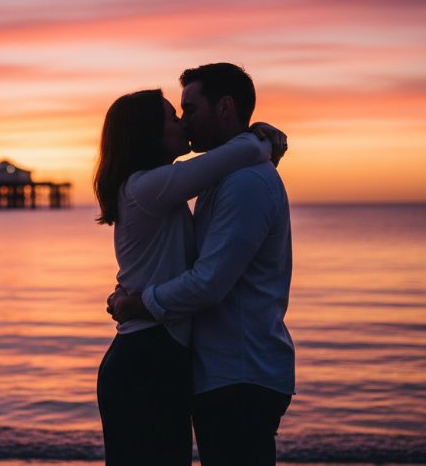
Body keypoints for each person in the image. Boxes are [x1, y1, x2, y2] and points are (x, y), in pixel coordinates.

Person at [109, 63, 294, 466]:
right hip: (212, 371)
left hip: (240, 373)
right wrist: (260, 139)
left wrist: (138, 301)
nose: (185, 122)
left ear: (225, 107)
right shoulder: (205, 180)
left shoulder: (242, 182)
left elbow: (208, 282)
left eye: (189, 110)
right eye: (176, 115)